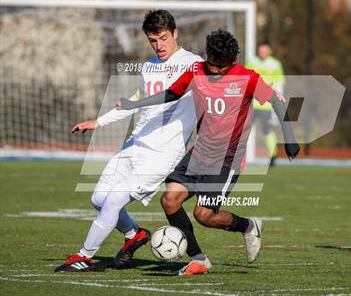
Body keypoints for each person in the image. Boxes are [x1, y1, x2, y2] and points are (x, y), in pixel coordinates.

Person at [119, 29, 300, 275]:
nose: (215, 70)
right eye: (212, 64)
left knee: (203, 215)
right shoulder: (197, 71)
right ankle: (199, 259)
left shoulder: (247, 77)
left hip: (227, 160)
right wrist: (134, 105)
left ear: (232, 61)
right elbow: (171, 93)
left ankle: (248, 226)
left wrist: (289, 139)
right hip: (199, 153)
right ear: (208, 56)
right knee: (169, 200)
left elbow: (277, 102)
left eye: (221, 67)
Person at [55, 10, 203, 272]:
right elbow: (135, 103)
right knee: (99, 199)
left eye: (163, 38)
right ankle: (134, 235)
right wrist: (98, 122)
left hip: (162, 154)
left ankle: (84, 256)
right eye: (152, 40)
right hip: (135, 144)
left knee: (113, 201)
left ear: (175, 33)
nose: (159, 46)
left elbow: (209, 100)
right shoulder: (148, 66)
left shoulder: (194, 64)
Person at [246, 43, 285, 165]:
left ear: (270, 51)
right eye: (260, 50)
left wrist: (276, 102)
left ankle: (273, 155)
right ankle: (239, 154)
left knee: (267, 131)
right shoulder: (252, 62)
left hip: (266, 106)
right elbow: (246, 79)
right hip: (252, 104)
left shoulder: (275, 64)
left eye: (265, 50)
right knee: (244, 129)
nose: (262, 52)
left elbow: (280, 83)